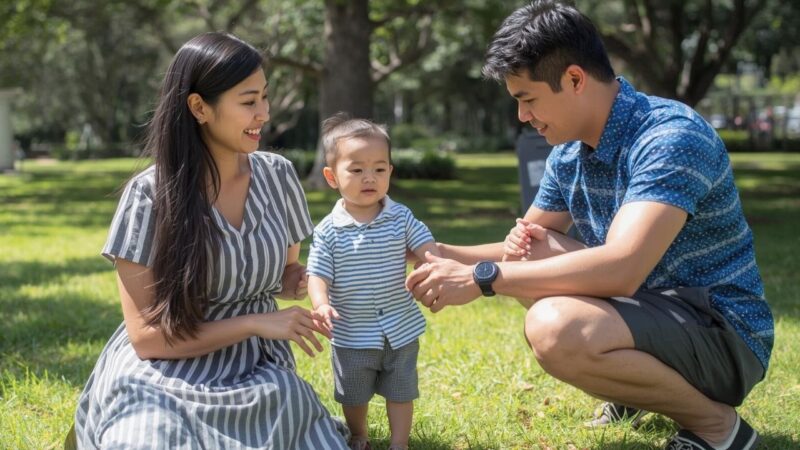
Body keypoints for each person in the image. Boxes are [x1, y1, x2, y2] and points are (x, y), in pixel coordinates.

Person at [404, 2, 773, 449]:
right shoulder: (568, 152)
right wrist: (429, 249)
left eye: (527, 99)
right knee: (531, 249)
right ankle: (633, 387)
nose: (522, 117)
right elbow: (516, 250)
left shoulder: (670, 137)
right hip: (656, 312)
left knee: (555, 326)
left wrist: (484, 280)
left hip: (724, 332)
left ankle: (720, 429)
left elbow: (622, 268)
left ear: (575, 79)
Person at [72, 32, 349, 449]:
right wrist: (257, 322)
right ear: (199, 107)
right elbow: (147, 339)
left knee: (291, 413)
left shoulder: (277, 176)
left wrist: (316, 282)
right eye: (248, 101)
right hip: (164, 368)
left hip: (253, 369)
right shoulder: (149, 195)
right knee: (149, 437)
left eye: (265, 98)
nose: (264, 113)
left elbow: (284, 276)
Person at [306, 113, 440, 450]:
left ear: (390, 173)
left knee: (401, 389)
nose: (370, 178)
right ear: (331, 177)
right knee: (353, 393)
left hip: (400, 328)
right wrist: (320, 303)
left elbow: (426, 244)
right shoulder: (327, 231)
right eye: (356, 170)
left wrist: (432, 263)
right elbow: (317, 274)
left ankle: (399, 443)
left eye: (379, 169)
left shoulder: (400, 216)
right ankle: (359, 434)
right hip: (351, 332)